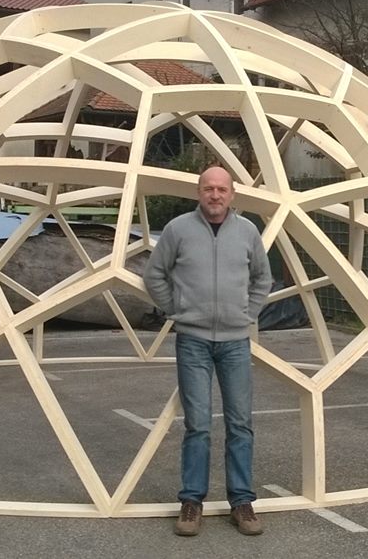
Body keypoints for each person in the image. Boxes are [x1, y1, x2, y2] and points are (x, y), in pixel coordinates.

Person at [143, 166, 272, 536]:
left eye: (221, 189)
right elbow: (154, 274)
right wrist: (177, 309)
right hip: (193, 341)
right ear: (199, 192)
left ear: (232, 194)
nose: (215, 195)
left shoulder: (247, 232)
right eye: (208, 188)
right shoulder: (178, 230)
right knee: (197, 425)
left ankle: (242, 502)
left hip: (235, 342)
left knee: (240, 423)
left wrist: (247, 313)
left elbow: (262, 278)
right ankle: (191, 502)